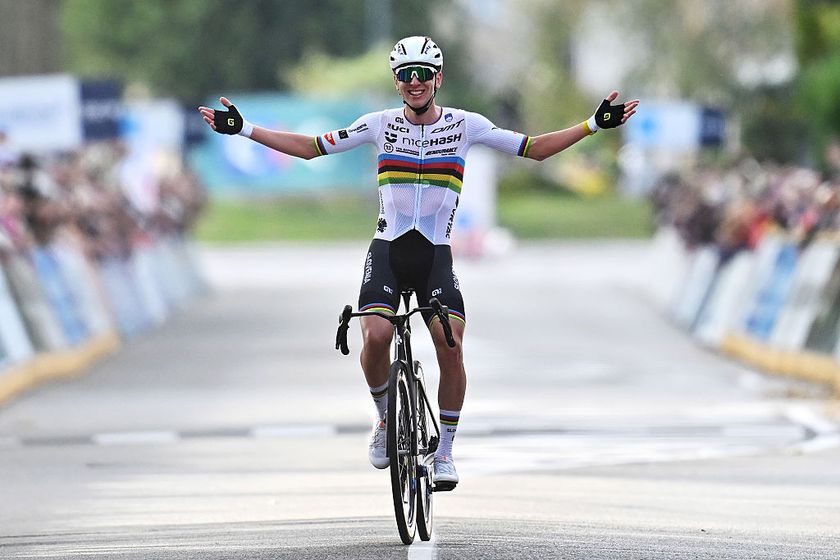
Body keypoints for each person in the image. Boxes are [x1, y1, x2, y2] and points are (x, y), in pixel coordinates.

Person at [199, 36, 638, 489]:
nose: (414, 82)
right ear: (396, 82)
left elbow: (535, 148)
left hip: (434, 255)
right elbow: (312, 147)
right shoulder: (378, 124)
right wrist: (245, 129)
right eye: (405, 75)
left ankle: (444, 452)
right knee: (375, 336)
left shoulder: (466, 125)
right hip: (388, 249)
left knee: (451, 345)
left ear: (437, 78)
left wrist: (592, 125)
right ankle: (384, 419)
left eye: (422, 74)